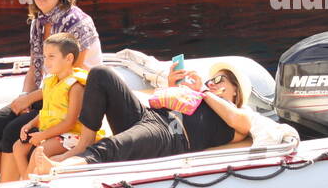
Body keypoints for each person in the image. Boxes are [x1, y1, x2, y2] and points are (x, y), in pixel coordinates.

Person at [0, 0, 102, 185]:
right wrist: (24, 98)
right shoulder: (38, 22)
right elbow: (35, 66)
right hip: (46, 94)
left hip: (70, 98)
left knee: (13, 131)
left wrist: (31, 98)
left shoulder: (78, 22)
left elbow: (72, 75)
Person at [34, 60, 254, 171]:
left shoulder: (236, 113)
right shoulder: (201, 97)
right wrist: (174, 88)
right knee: (101, 73)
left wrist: (203, 91)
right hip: (149, 116)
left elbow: (241, 124)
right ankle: (83, 144)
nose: (212, 83)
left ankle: (62, 168)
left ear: (236, 90)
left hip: (171, 134)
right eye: (211, 80)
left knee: (115, 145)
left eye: (219, 80)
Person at [13, 33, 89, 177]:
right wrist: (29, 125)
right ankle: (26, 181)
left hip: (72, 135)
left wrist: (42, 135)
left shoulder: (75, 87)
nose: (46, 62)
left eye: (51, 57)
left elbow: (69, 123)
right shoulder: (50, 82)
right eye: (45, 57)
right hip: (53, 132)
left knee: (39, 152)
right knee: (18, 147)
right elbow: (46, 112)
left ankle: (28, 184)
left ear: (69, 58)